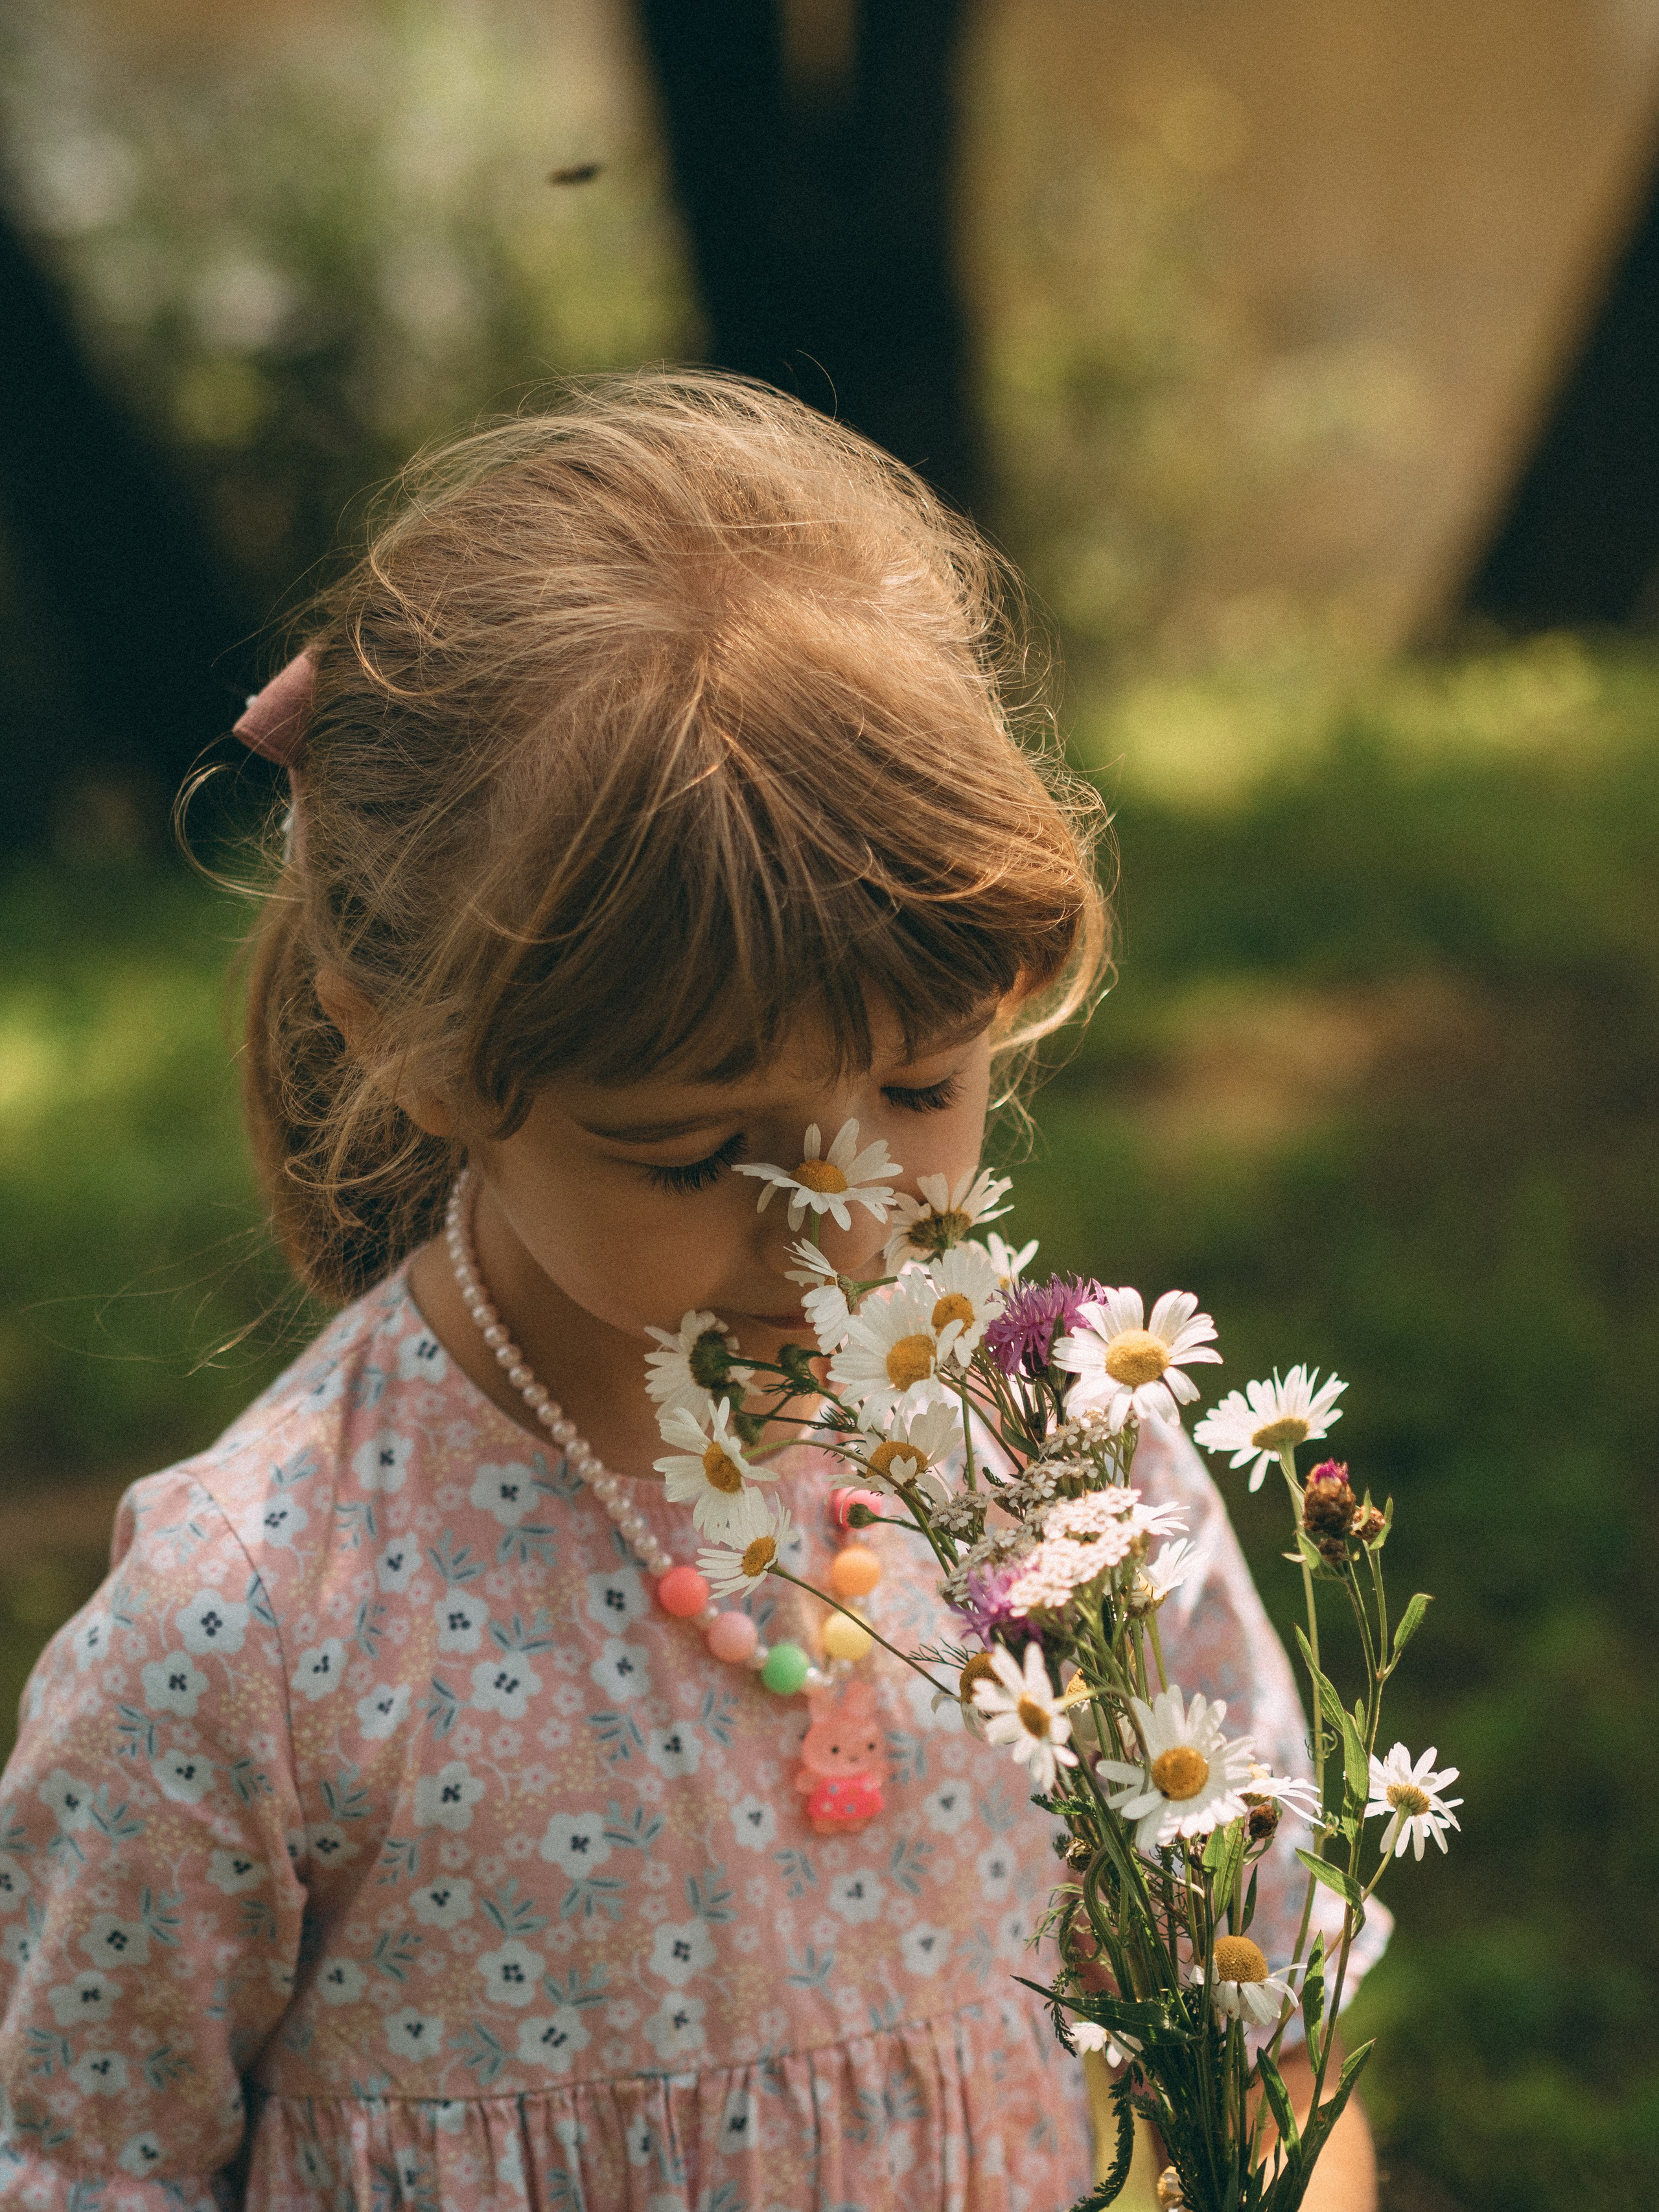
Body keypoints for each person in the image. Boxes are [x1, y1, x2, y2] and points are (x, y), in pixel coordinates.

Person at [0, 373, 1380, 2209]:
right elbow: (88, 2164)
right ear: (402, 1041)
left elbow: (1265, 2024)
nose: (842, 1232)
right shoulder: (246, 1644)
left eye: (922, 1086)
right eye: (691, 1151)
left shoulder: (1070, 1476)